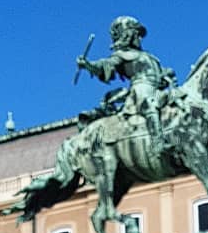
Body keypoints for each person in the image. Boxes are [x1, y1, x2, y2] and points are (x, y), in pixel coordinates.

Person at [76, 16, 177, 152]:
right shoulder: (122, 55)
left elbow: (159, 72)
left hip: (157, 88)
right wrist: (88, 65)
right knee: (150, 105)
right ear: (127, 35)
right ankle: (158, 142)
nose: (139, 38)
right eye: (136, 34)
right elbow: (105, 65)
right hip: (141, 89)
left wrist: (165, 75)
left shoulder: (149, 56)